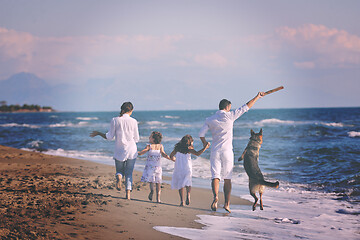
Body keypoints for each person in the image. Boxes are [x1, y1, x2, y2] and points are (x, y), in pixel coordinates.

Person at [199, 92, 265, 213]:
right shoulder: (230, 116)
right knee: (227, 178)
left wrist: (204, 143)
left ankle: (215, 198)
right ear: (228, 107)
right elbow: (246, 107)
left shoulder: (210, 119)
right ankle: (227, 204)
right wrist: (257, 97)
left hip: (215, 151)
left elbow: (201, 134)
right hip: (227, 152)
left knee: (215, 176)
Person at [90, 102, 139, 200]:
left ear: (122, 109)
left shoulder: (115, 120)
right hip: (132, 150)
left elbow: (109, 137)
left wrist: (99, 133)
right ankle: (128, 194)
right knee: (129, 173)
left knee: (119, 171)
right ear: (131, 110)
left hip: (119, 150)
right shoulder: (134, 121)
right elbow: (137, 139)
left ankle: (119, 177)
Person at [170, 135, 210, 206]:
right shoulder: (189, 149)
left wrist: (176, 160)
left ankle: (182, 201)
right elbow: (197, 153)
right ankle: (188, 194)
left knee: (180, 184)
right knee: (188, 181)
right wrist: (205, 148)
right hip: (187, 168)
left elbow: (171, 156)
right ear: (190, 142)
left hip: (178, 168)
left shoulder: (177, 148)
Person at [138, 131, 173, 203]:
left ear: (154, 139)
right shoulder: (160, 146)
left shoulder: (149, 146)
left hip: (151, 167)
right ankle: (158, 199)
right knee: (158, 183)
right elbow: (163, 154)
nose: (149, 138)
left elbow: (142, 152)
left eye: (150, 137)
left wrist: (137, 152)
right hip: (157, 167)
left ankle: (152, 191)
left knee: (151, 181)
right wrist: (169, 158)